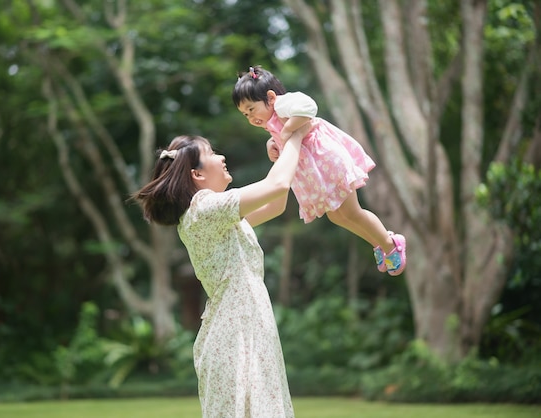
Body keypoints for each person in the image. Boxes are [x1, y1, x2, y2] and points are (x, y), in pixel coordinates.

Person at [132, 126, 310, 417]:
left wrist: (283, 150)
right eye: (212, 153)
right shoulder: (203, 208)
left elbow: (276, 203)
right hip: (234, 334)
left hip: (245, 324)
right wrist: (296, 134)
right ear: (197, 174)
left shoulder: (216, 216)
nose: (222, 157)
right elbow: (276, 186)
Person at [232, 65, 407, 276]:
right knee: (338, 216)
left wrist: (287, 130)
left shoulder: (283, 104)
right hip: (318, 171)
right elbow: (282, 134)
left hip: (328, 161)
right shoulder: (272, 120)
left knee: (351, 211)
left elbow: (308, 106)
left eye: (251, 109)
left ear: (270, 97)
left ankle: (391, 244)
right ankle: (379, 242)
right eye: (244, 115)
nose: (250, 118)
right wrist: (273, 142)